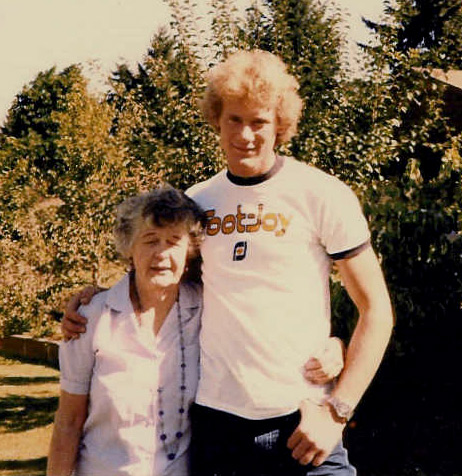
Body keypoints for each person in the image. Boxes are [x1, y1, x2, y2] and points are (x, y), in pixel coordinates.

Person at [63, 49, 394, 475]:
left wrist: (337, 410)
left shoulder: (321, 194)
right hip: (217, 429)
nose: (246, 134)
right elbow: (158, 277)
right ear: (217, 121)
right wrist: (91, 303)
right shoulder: (197, 203)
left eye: (259, 121)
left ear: (280, 126)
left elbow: (377, 311)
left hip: (303, 421)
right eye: (234, 119)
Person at [47, 187, 206, 476]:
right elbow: (68, 421)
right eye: (150, 240)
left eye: (173, 241)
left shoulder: (207, 311)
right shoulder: (91, 318)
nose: (161, 253)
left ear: (189, 254)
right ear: (129, 250)